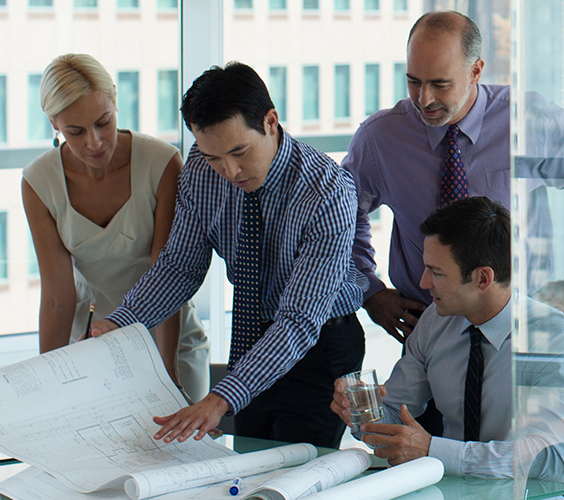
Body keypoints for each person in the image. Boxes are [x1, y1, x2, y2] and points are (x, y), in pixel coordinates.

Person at [88, 62, 368, 449]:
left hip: (319, 344)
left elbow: (299, 321)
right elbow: (179, 268)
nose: (229, 171)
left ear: (270, 122)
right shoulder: (202, 169)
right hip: (252, 335)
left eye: (239, 151)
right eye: (214, 156)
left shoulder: (327, 191)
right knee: (249, 469)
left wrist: (220, 398)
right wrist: (121, 324)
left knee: (293, 474)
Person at [346, 10, 564, 344]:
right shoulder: (382, 138)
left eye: (440, 84)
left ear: (475, 71)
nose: (424, 100)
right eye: (414, 82)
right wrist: (369, 291)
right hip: (427, 332)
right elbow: (339, 217)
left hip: (520, 328)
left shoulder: (529, 122)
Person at [334, 196, 564, 482]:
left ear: (482, 279)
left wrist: (433, 450)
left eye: (436, 272)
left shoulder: (555, 339)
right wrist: (361, 412)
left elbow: (553, 462)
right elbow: (394, 414)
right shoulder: (435, 321)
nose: (423, 283)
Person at [20, 53, 209, 404]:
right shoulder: (38, 182)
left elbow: (166, 275)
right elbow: (59, 298)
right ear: (54, 123)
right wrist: (47, 383)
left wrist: (168, 377)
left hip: (169, 339)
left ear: (115, 103)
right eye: (75, 132)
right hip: (94, 349)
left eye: (103, 122)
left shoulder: (162, 163)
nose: (94, 142)